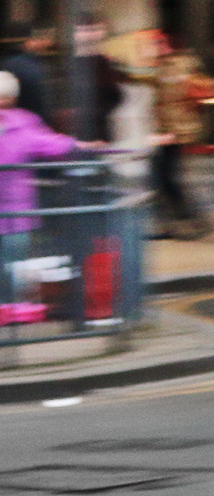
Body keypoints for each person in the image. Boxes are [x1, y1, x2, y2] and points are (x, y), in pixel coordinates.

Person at [0, 68, 84, 324]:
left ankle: (9, 316)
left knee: (11, 265)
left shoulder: (20, 124)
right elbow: (52, 144)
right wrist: (80, 145)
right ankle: (11, 315)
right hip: (16, 214)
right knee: (13, 266)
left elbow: (48, 143)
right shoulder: (21, 123)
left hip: (13, 214)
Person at [144, 34, 214, 239]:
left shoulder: (183, 64)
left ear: (167, 44)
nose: (153, 47)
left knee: (167, 179)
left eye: (156, 43)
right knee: (161, 179)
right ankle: (177, 224)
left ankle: (193, 221)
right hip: (165, 132)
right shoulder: (160, 66)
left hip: (178, 132)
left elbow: (200, 91)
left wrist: (175, 132)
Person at [62, 16, 125, 144]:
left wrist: (99, 112)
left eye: (92, 30)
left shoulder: (104, 63)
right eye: (83, 30)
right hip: (76, 132)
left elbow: (116, 96)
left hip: (98, 131)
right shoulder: (68, 64)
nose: (88, 35)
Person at [2, 24, 54, 123]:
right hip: (29, 121)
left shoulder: (10, 63)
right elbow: (40, 99)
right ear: (29, 41)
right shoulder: (28, 66)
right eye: (42, 38)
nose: (48, 42)